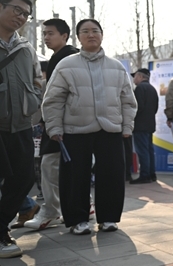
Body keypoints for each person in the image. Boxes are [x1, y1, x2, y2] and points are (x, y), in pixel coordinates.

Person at [43, 18, 137, 235]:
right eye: (85, 31)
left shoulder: (116, 67)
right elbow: (53, 100)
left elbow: (128, 100)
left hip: (110, 128)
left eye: (95, 30)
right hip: (76, 129)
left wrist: (127, 126)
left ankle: (109, 218)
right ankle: (77, 220)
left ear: (102, 35)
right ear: (78, 37)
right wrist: (54, 128)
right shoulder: (66, 65)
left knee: (112, 174)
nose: (91, 34)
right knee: (75, 176)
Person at [23, 19, 79, 231]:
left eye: (50, 33)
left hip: (61, 122)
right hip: (58, 121)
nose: (46, 38)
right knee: (62, 166)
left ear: (64, 36)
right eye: (44, 34)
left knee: (49, 165)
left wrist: (54, 122)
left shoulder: (68, 57)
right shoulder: (60, 57)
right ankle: (79, 205)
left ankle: (51, 210)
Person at [0, 0, 42, 259]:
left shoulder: (25, 48)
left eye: (26, 14)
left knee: (24, 178)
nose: (22, 17)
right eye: (17, 10)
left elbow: (37, 80)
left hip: (21, 124)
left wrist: (33, 101)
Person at [129, 68, 159, 184]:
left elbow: (138, 107)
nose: (134, 79)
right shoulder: (152, 89)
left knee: (142, 151)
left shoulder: (140, 88)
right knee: (149, 150)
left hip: (140, 125)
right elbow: (155, 108)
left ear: (141, 77)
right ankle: (151, 174)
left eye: (135, 76)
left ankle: (145, 175)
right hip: (150, 124)